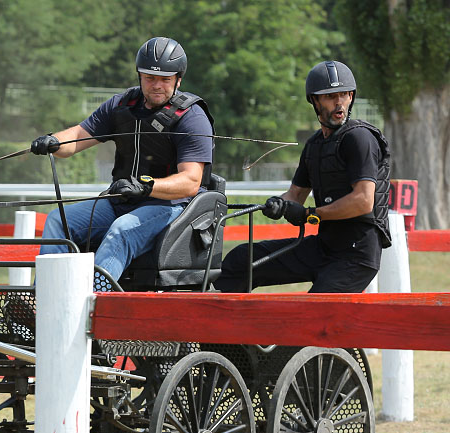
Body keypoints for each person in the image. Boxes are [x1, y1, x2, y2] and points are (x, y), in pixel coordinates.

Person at [30, 36, 214, 281]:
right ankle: (45, 302)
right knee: (57, 220)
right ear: (139, 75)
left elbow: (191, 182)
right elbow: (77, 137)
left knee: (122, 230)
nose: (157, 85)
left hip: (170, 207)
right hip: (122, 201)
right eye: (150, 78)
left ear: (178, 79)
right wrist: (52, 142)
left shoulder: (191, 117)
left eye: (165, 79)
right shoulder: (120, 105)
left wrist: (146, 187)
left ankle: (90, 303)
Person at [215, 60, 391, 293]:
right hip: (324, 246)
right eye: (330, 96)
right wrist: (279, 205)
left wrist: (310, 214)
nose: (339, 103)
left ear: (351, 96)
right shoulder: (315, 145)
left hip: (356, 254)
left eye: (344, 95)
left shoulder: (359, 138)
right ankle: (226, 324)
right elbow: (295, 195)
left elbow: (363, 200)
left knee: (312, 314)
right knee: (242, 261)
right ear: (314, 100)